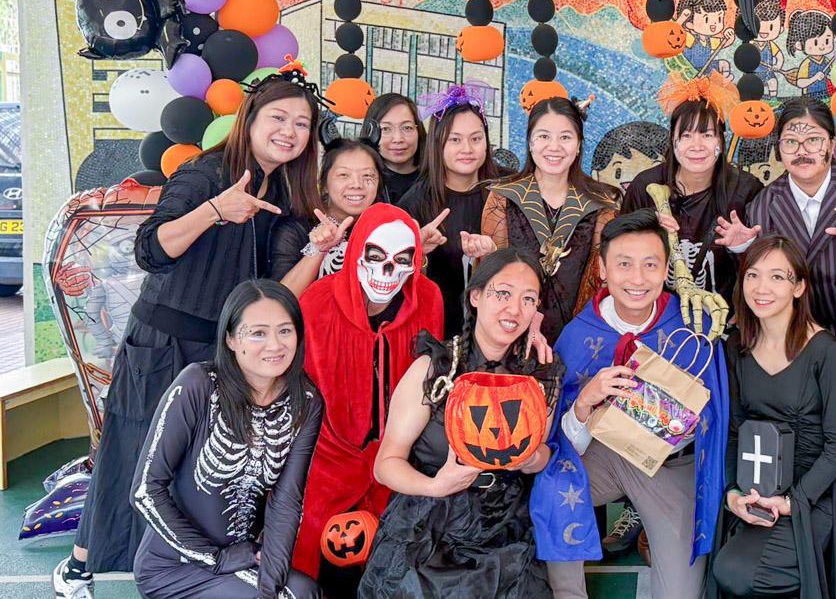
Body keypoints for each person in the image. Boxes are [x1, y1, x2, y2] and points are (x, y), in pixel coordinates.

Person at [55, 74, 322, 598]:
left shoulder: (281, 192)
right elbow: (150, 249)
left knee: (193, 473)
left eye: (302, 124)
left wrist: (318, 250)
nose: (290, 131)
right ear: (249, 119)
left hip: (221, 354)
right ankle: (79, 569)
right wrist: (216, 210)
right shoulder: (206, 173)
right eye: (279, 118)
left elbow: (273, 295)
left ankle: (185, 572)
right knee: (131, 456)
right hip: (164, 345)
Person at [540, 209, 728, 599]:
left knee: (679, 595)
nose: (638, 279)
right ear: (603, 268)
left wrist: (689, 419)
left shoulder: (692, 324)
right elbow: (558, 441)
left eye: (650, 265)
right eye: (624, 264)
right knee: (551, 486)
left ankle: (649, 531)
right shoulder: (579, 335)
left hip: (672, 467)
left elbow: (719, 412)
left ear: (666, 270)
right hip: (605, 457)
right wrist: (584, 402)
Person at [358, 249, 564, 598]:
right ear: (476, 297)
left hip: (505, 527)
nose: (515, 309)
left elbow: (541, 452)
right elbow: (386, 463)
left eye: (528, 299)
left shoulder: (541, 374)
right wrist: (435, 486)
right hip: (429, 523)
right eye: (503, 293)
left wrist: (531, 459)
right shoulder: (435, 368)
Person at [131, 280, 322, 599]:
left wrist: (269, 588)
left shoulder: (305, 401)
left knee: (303, 591)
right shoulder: (198, 385)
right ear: (231, 339)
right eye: (258, 333)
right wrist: (214, 559)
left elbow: (286, 501)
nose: (275, 345)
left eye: (285, 331)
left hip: (240, 560)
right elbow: (145, 490)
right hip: (173, 566)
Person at [291, 204, 445, 596]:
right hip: (329, 458)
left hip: (400, 455)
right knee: (315, 560)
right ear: (356, 252)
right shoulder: (317, 302)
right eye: (375, 257)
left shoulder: (429, 298)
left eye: (402, 260)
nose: (387, 270)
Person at [711, 236, 836, 598]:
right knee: (724, 568)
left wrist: (795, 500)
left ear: (799, 287)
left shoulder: (826, 351)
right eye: (753, 275)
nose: (762, 288)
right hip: (756, 488)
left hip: (815, 492)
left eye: (777, 277)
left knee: (741, 573)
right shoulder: (736, 346)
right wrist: (733, 492)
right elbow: (734, 430)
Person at [717, 97, 836, 360]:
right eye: (790, 142)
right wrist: (743, 249)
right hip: (792, 344)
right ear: (779, 149)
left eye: (814, 140)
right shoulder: (762, 205)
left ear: (832, 144)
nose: (801, 151)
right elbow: (758, 281)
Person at [481, 97, 620, 345]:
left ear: (578, 145)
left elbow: (602, 283)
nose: (554, 147)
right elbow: (491, 282)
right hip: (512, 334)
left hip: (580, 339)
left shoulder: (602, 205)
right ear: (530, 143)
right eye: (544, 136)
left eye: (565, 137)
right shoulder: (503, 198)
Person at [622, 72, 764, 301]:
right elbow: (617, 248)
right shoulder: (646, 186)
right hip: (654, 309)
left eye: (707, 135)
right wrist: (642, 225)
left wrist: (744, 246)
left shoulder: (745, 190)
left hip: (723, 313)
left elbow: (765, 264)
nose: (696, 146)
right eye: (686, 135)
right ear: (673, 140)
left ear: (721, 140)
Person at [399, 85, 508, 336]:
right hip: (433, 330)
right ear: (438, 144)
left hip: (497, 330)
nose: (467, 149)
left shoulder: (507, 191)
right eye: (455, 139)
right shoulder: (415, 202)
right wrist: (418, 252)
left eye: (476, 139)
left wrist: (493, 254)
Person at [271, 138, 383, 296]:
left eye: (367, 175)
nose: (357, 184)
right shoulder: (295, 229)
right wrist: (318, 249)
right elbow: (281, 299)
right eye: (343, 175)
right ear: (324, 185)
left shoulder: (384, 228)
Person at [364, 93, 425, 204]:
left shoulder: (437, 176)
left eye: (407, 127)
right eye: (386, 129)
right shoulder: (360, 182)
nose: (398, 139)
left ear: (418, 130)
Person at [787, 11, 834, 99]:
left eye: (827, 41)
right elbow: (800, 83)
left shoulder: (826, 60)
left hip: (826, 92)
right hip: (810, 95)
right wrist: (815, 78)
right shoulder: (807, 63)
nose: (822, 46)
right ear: (800, 45)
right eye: (815, 42)